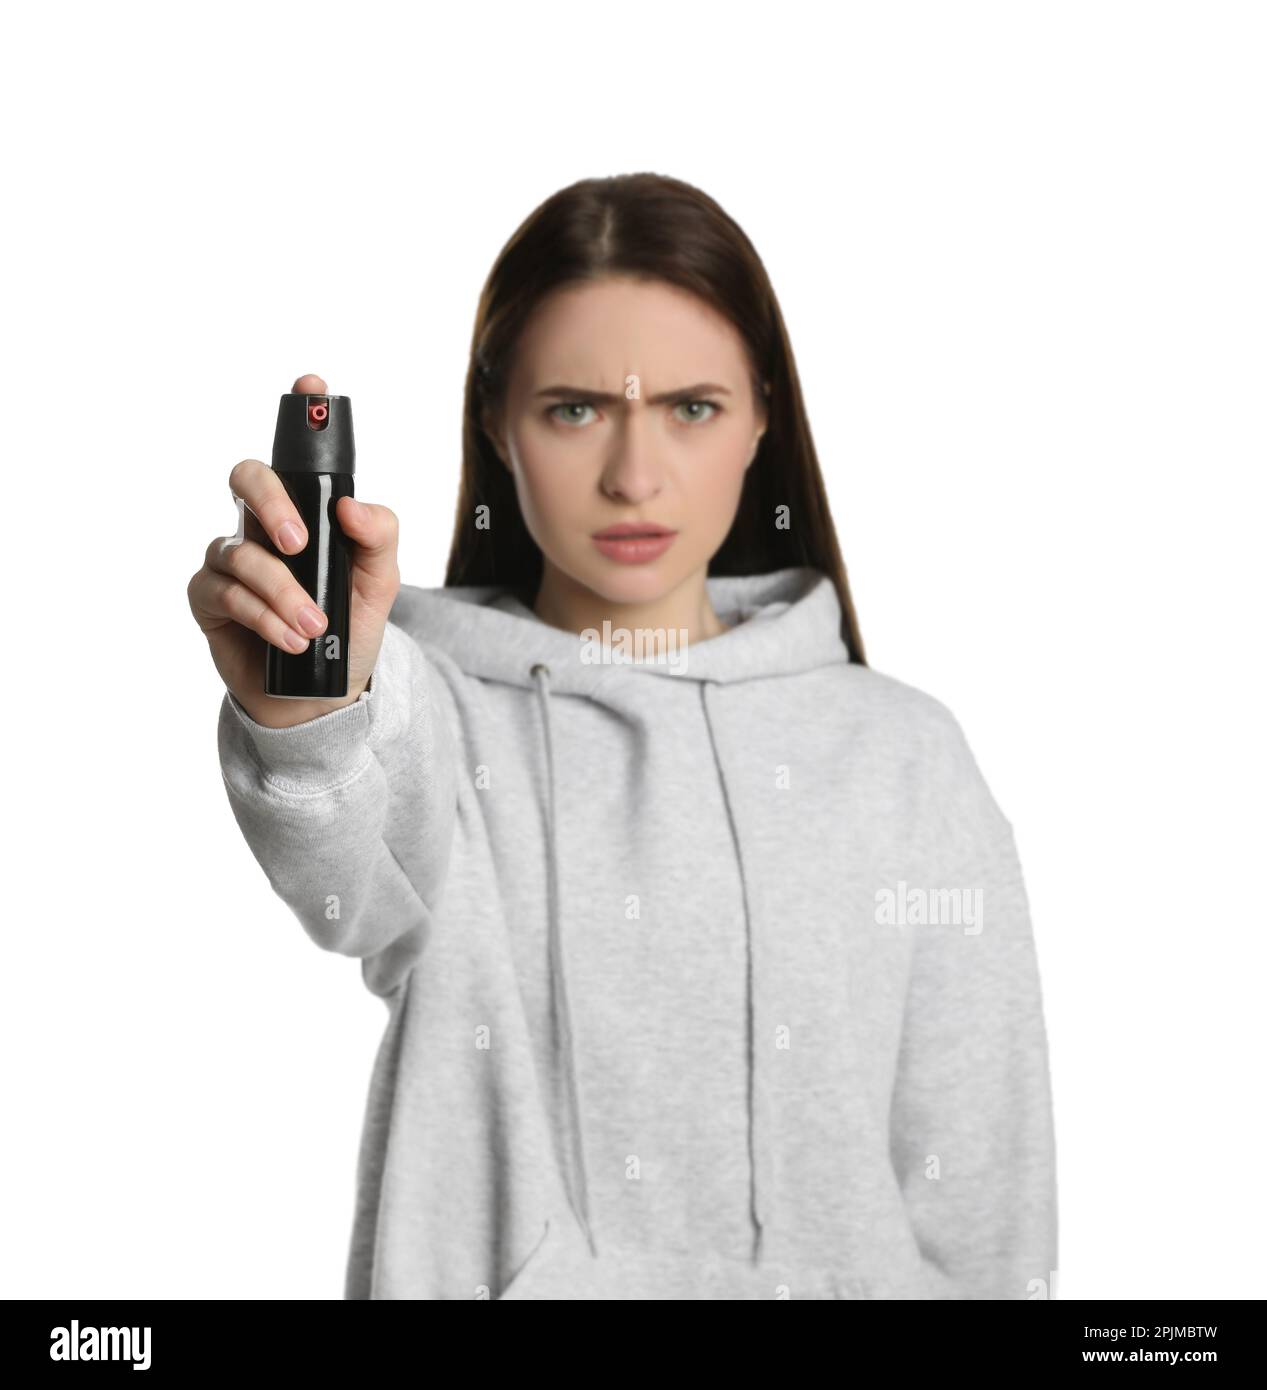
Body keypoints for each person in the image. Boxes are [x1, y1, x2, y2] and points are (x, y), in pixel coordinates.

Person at [187, 172, 1057, 1300]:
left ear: (760, 418)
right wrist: (308, 708)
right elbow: (346, 868)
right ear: (498, 424)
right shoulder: (429, 708)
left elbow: (985, 1209)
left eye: (690, 407)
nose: (633, 476)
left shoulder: (903, 757)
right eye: (575, 408)